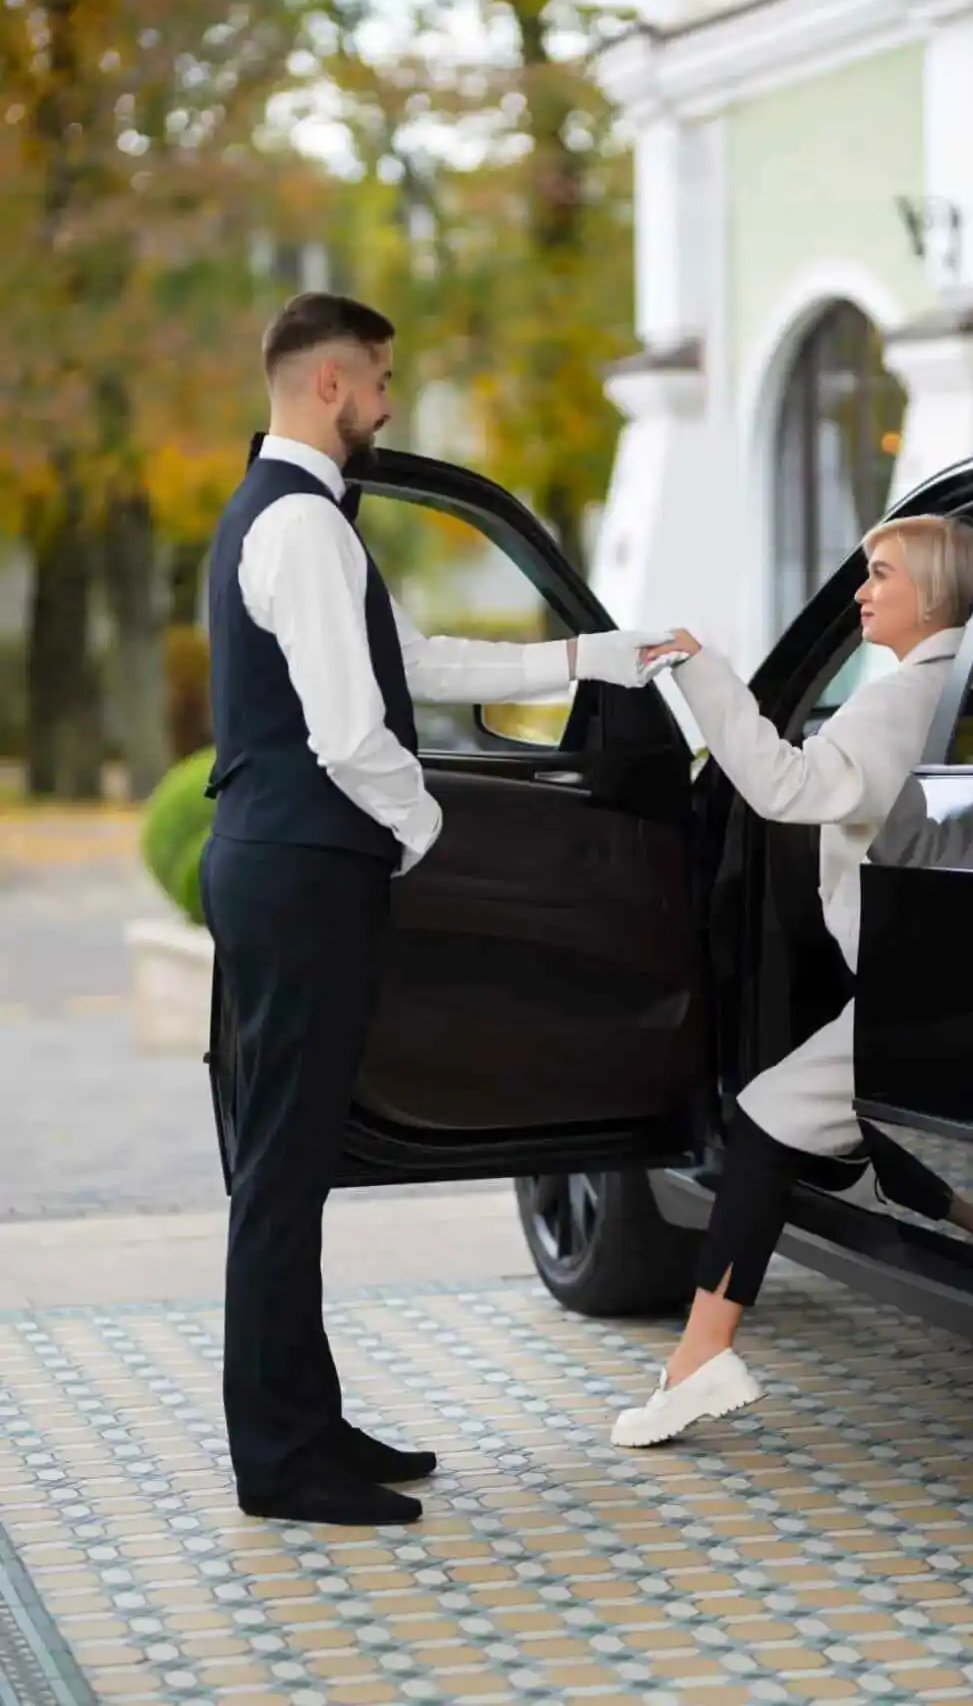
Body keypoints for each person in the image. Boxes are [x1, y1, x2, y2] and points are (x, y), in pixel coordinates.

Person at [201, 291, 673, 1526]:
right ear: (325, 389)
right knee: (281, 1174)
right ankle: (282, 1462)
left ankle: (310, 1425)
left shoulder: (309, 519)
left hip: (291, 863)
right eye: (376, 380)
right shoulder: (299, 527)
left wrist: (581, 660)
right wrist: (421, 827)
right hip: (303, 868)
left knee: (294, 1166)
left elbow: (405, 664)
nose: (388, 402)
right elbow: (349, 728)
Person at [612, 514, 973, 1449]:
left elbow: (785, 788)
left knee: (768, 1116)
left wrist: (701, 674)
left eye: (879, 575)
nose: (862, 593)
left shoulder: (900, 699)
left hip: (911, 992)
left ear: (936, 594)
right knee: (843, 1116)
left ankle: (701, 1358)